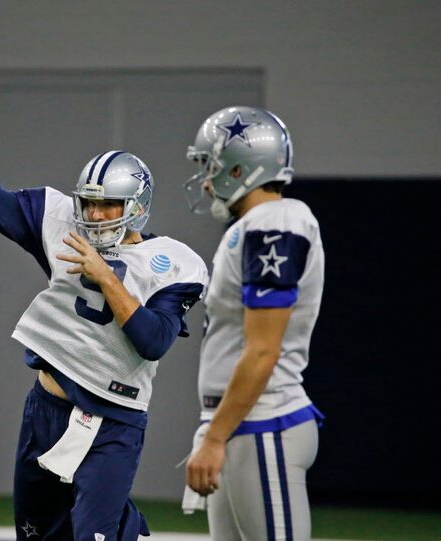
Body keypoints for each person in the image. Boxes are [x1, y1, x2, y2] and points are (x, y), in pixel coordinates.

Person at [0, 94, 208, 541]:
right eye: (89, 203)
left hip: (113, 419)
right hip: (45, 409)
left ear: (137, 206)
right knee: (35, 535)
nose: (95, 215)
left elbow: (155, 341)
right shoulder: (63, 223)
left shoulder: (173, 261)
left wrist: (107, 278)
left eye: (108, 204)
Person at [182, 106, 325, 541]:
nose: (206, 180)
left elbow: (264, 350)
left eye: (210, 165)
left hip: (264, 423)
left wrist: (214, 438)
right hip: (240, 422)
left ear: (238, 166)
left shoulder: (275, 224)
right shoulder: (253, 226)